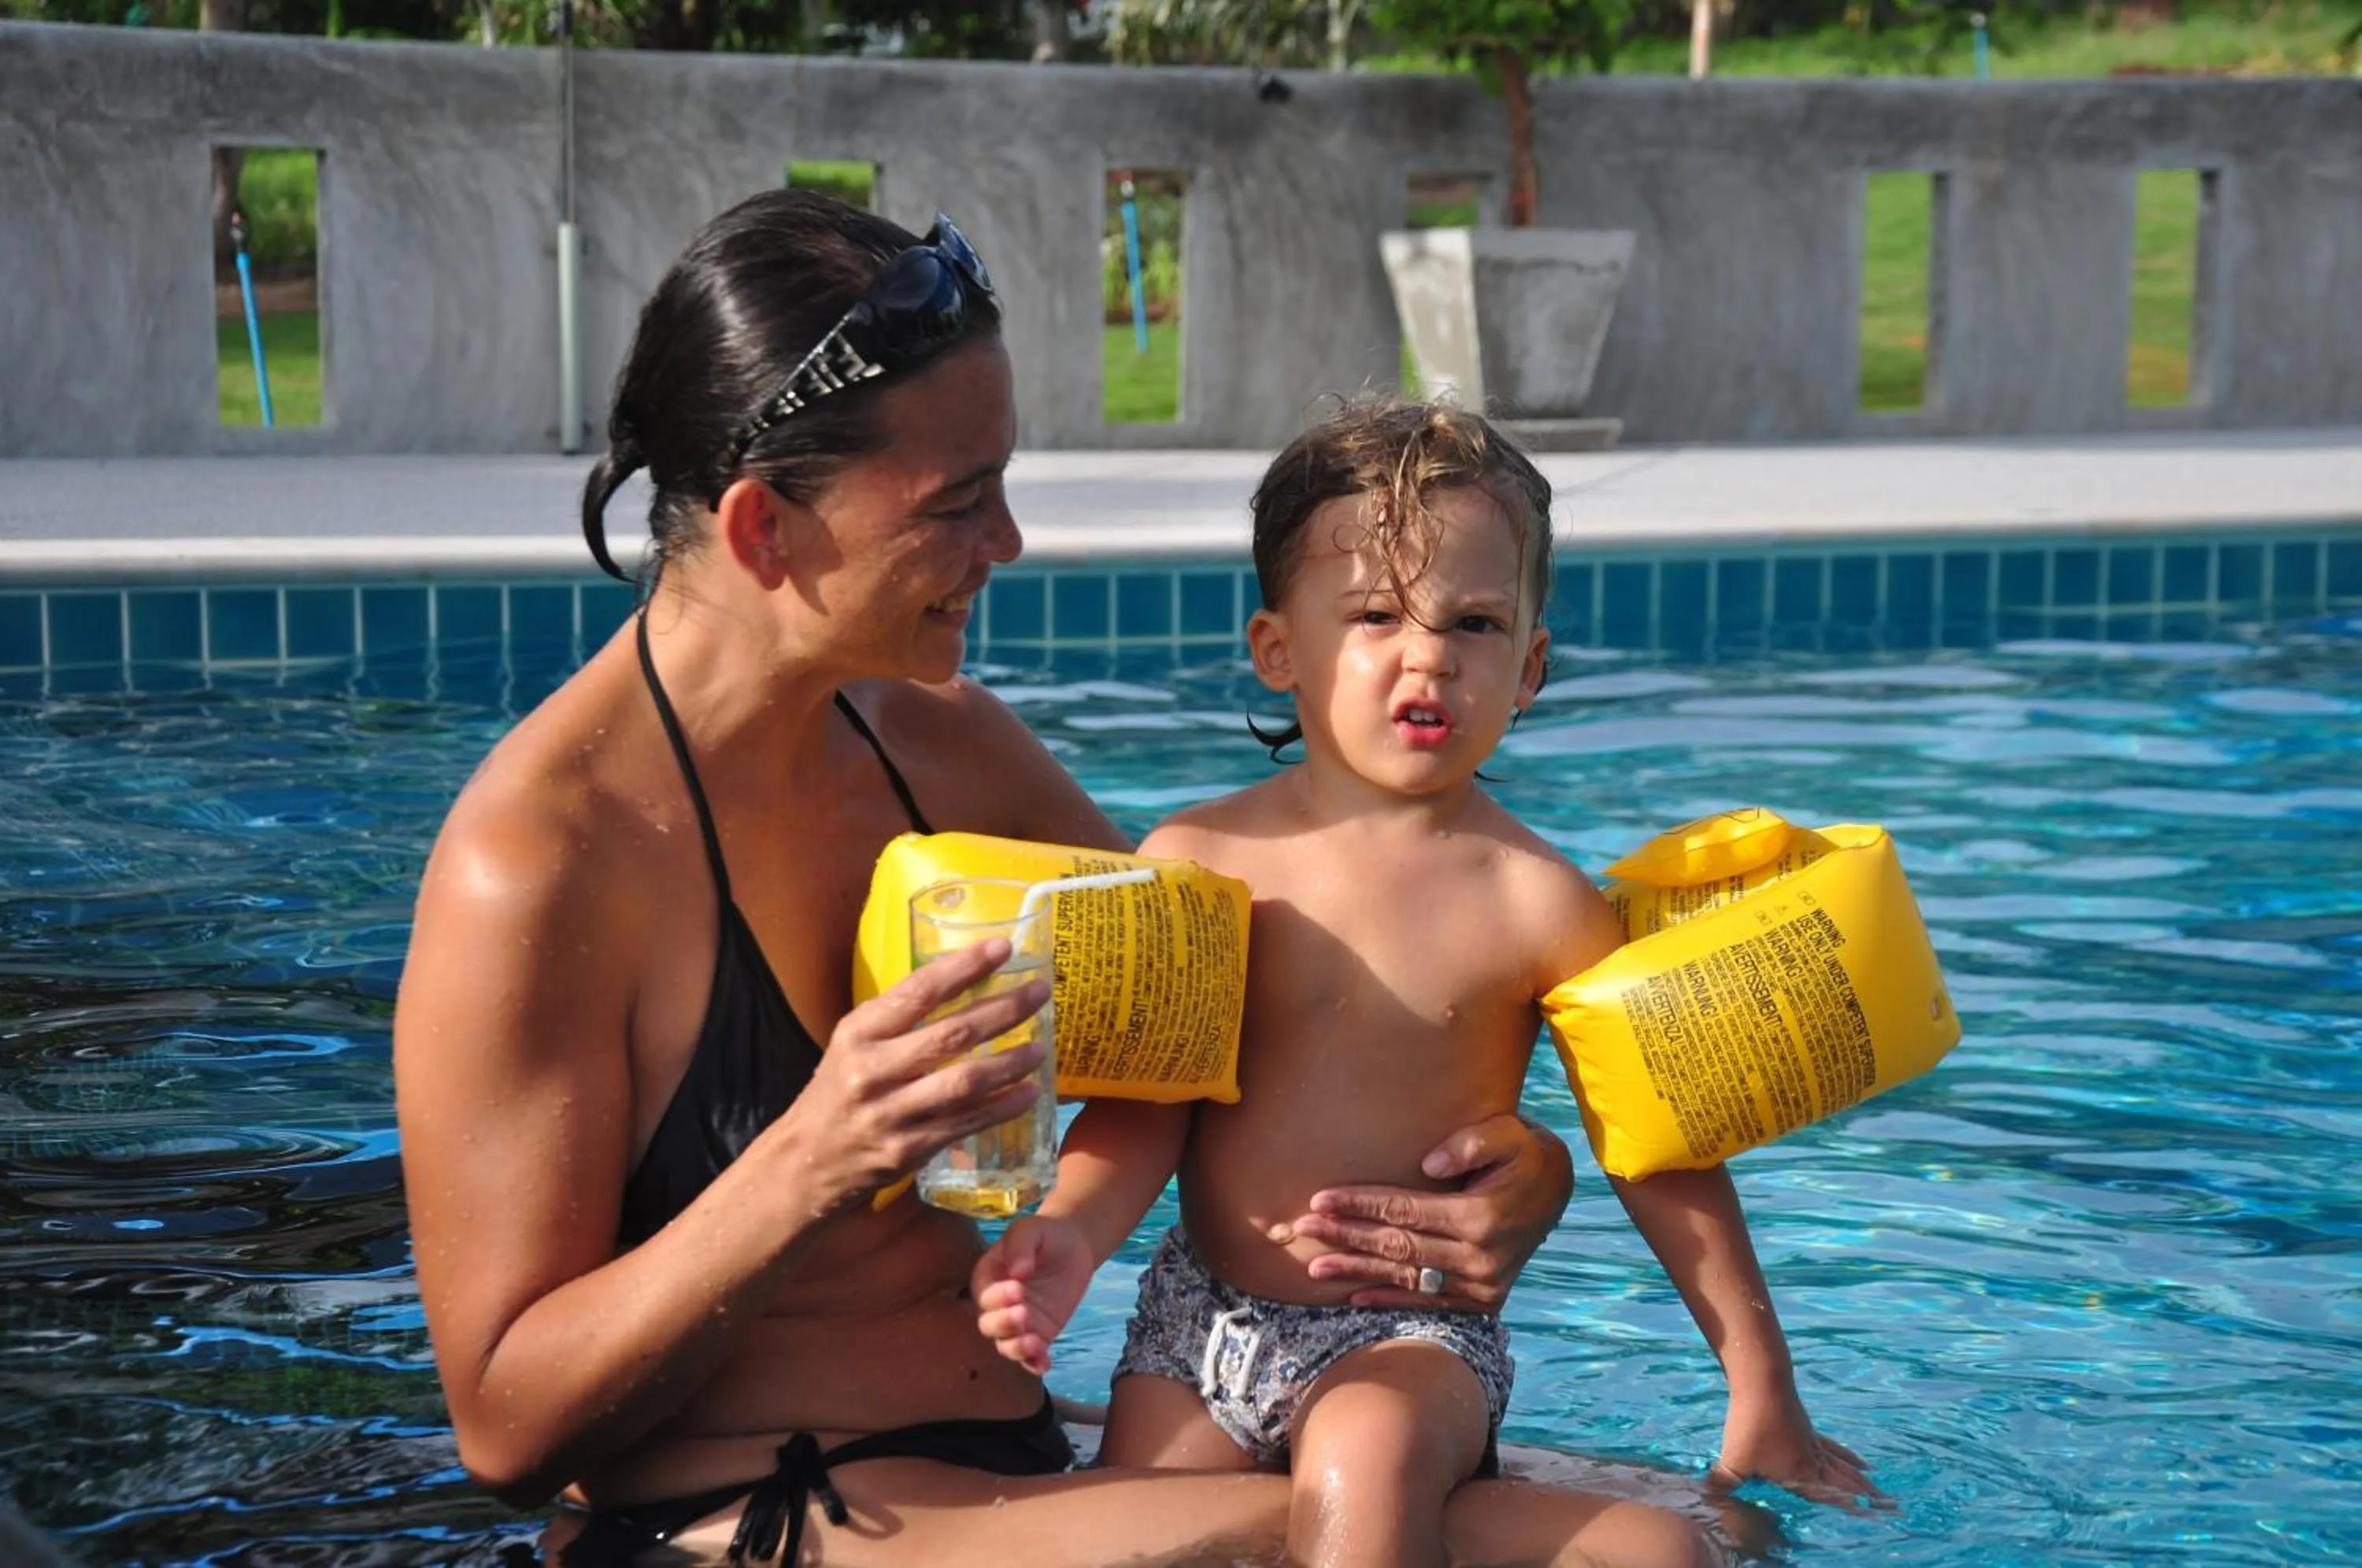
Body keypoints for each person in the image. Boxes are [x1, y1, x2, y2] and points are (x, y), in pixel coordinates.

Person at [393, 189, 1729, 1566]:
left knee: (1679, 1533)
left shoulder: (945, 746)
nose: (1010, 544)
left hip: (1028, 1464)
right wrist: (813, 1156)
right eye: (959, 503)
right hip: (760, 1513)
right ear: (762, 532)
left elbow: (1281, 988)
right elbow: (503, 1427)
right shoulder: (543, 865)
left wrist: (1527, 1176)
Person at [968, 400, 1882, 1568]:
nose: (1429, 654)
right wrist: (1066, 1240)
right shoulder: (1198, 866)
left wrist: (1763, 1390)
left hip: (1410, 1338)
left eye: (1477, 622)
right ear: (1277, 649)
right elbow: (1152, 1110)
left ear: (1532, 667)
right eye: (1374, 615)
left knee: (1366, 1459)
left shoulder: (1538, 903)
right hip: (1198, 1327)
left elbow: (1658, 1151)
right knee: (1137, 1534)